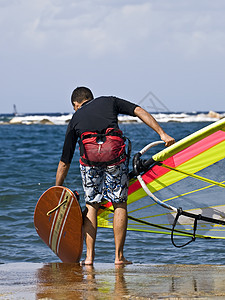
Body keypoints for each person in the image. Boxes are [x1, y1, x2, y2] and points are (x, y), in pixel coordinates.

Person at [55, 86, 175, 265]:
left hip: (90, 163)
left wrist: (57, 188)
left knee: (91, 205)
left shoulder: (75, 118)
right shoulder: (109, 101)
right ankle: (119, 257)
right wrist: (162, 134)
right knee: (119, 203)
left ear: (76, 104)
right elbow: (139, 111)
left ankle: (89, 258)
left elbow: (65, 161)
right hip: (115, 158)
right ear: (91, 98)